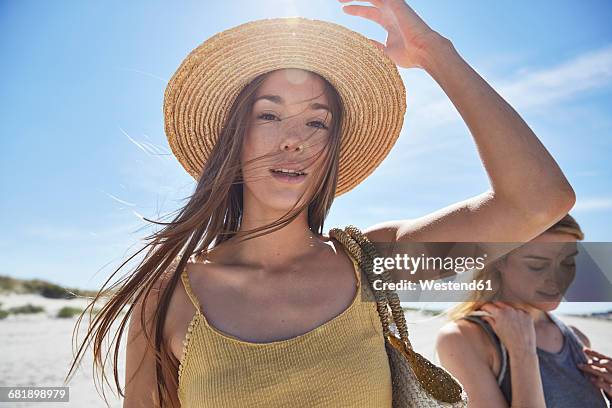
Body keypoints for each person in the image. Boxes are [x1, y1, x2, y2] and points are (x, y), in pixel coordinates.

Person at [66, 2, 577, 407]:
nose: (295, 140)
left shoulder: (372, 265)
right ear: (233, 138)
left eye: (317, 122)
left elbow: (538, 201)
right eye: (269, 115)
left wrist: (434, 53)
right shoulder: (168, 298)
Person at [436, 214, 611, 407]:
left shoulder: (578, 340)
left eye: (568, 262)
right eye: (537, 265)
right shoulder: (462, 339)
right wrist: (522, 355)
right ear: (500, 261)